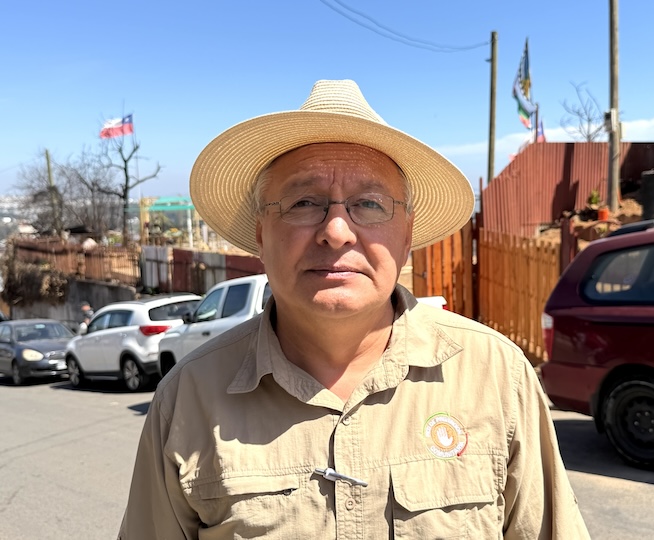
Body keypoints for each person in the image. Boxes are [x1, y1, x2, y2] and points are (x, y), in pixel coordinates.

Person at [118, 80, 590, 539]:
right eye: (304, 202)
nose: (337, 231)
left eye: (369, 203)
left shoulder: (496, 375)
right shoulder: (188, 398)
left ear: (406, 236)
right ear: (262, 234)